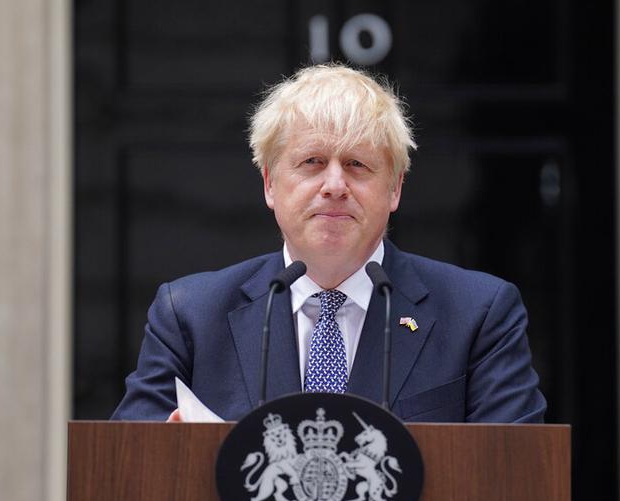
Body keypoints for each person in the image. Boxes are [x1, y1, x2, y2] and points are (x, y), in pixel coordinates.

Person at [111, 64, 546, 423]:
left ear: (394, 189)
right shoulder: (189, 316)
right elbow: (124, 476)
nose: (334, 185)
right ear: (269, 184)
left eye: (357, 165)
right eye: (312, 162)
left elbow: (513, 487)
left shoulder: (480, 314)